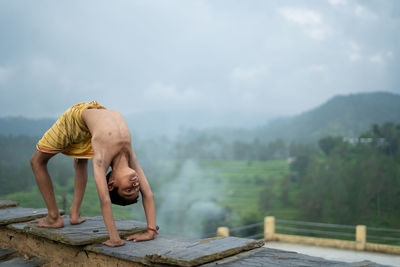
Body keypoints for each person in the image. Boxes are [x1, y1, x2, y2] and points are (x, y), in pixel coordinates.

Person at [30, 101, 157, 247]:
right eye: (136, 189)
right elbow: (148, 194)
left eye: (129, 190)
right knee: (81, 158)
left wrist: (114, 238)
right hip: (93, 113)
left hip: (75, 119)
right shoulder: (130, 158)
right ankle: (75, 213)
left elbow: (104, 200)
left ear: (110, 184)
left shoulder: (100, 160)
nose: (136, 185)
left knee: (36, 161)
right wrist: (151, 231)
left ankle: (53, 217)